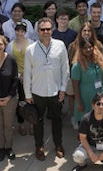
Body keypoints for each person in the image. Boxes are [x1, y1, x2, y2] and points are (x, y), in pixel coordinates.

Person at [24, 17, 71, 161]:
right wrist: (27, 93)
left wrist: (63, 89)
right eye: (42, 29)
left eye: (48, 29)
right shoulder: (30, 50)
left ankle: (58, 145)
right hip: (37, 92)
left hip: (56, 92)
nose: (45, 32)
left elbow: (65, 68)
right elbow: (27, 73)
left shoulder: (60, 45)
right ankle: (39, 146)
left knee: (57, 120)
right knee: (37, 121)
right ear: (38, 31)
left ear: (52, 30)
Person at [71, 92, 103, 171]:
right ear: (93, 105)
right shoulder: (86, 119)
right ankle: (82, 164)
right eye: (98, 104)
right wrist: (90, 153)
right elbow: (82, 138)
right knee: (77, 156)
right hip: (90, 145)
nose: (101, 106)